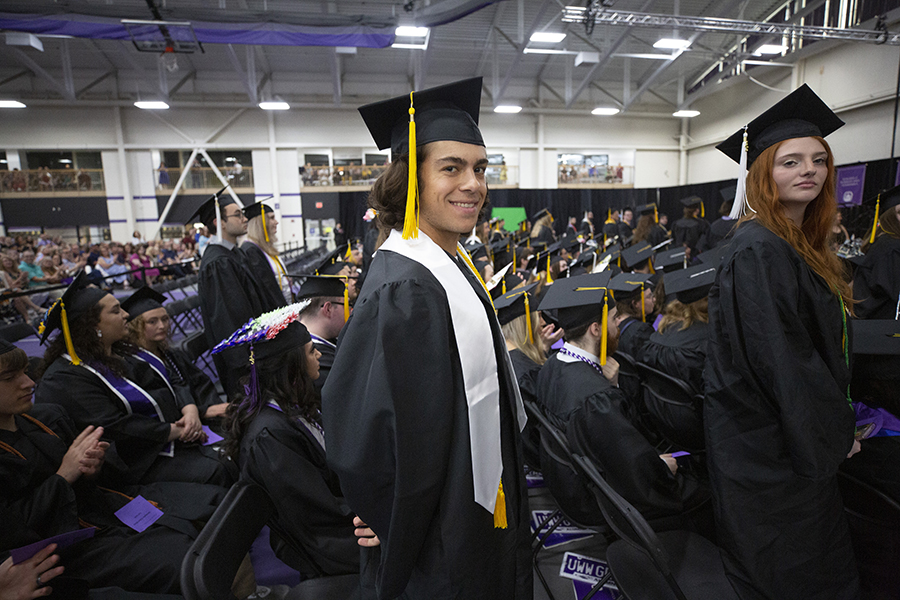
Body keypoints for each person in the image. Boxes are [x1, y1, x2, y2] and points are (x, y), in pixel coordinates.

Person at [323, 77, 532, 600]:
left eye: (480, 169)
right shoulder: (406, 285)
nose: (474, 185)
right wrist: (383, 512)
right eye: (451, 168)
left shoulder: (449, 262)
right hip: (442, 532)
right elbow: (366, 427)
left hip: (468, 500)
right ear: (409, 178)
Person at [708, 84, 860, 600]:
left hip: (774, 436)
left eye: (818, 160)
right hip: (770, 447)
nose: (809, 170)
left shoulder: (792, 242)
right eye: (790, 161)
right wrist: (834, 433)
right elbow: (784, 361)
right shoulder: (760, 249)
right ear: (762, 173)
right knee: (795, 572)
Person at [0, 339, 195, 594]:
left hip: (101, 517)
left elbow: (93, 485)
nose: (29, 383)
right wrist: (64, 476)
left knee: (197, 524)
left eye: (25, 372)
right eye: (9, 377)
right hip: (60, 557)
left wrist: (90, 469)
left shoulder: (45, 417)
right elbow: (10, 530)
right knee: (187, 561)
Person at [535, 273, 710, 526]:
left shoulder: (551, 366)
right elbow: (637, 475)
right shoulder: (597, 399)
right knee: (707, 491)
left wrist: (614, 384)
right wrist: (659, 467)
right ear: (596, 329)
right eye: (615, 318)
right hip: (605, 501)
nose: (619, 326)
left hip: (573, 489)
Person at [35, 272, 232, 491]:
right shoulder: (64, 377)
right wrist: (174, 430)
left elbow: (166, 380)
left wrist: (190, 411)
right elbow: (113, 425)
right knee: (219, 469)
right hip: (130, 464)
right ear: (92, 325)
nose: (126, 315)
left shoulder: (121, 353)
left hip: (166, 440)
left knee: (236, 446)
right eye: (116, 310)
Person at [219, 310, 375, 579]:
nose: (318, 356)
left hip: (334, 511)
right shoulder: (270, 436)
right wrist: (376, 518)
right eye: (312, 351)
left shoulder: (291, 405)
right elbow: (315, 513)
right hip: (323, 541)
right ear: (291, 365)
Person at [192, 189, 266, 398]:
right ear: (219, 222)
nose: (244, 219)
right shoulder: (218, 263)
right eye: (237, 215)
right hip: (245, 364)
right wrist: (247, 365)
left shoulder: (232, 254)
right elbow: (228, 320)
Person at [122, 286, 228, 423]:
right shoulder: (132, 363)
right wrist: (203, 411)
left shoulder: (171, 354)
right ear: (135, 326)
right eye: (152, 321)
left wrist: (211, 407)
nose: (162, 326)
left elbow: (200, 384)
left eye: (165, 319)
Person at [853, 186, 900, 320]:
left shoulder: (885, 241)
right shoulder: (892, 247)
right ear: (889, 217)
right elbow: (892, 292)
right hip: (882, 324)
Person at [297, 275, 349, 395]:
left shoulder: (325, 345)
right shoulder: (317, 362)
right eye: (346, 305)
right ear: (328, 309)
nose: (350, 311)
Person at [241, 201, 292, 309]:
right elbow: (266, 291)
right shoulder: (251, 251)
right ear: (260, 223)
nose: (276, 222)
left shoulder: (267, 249)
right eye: (272, 218)